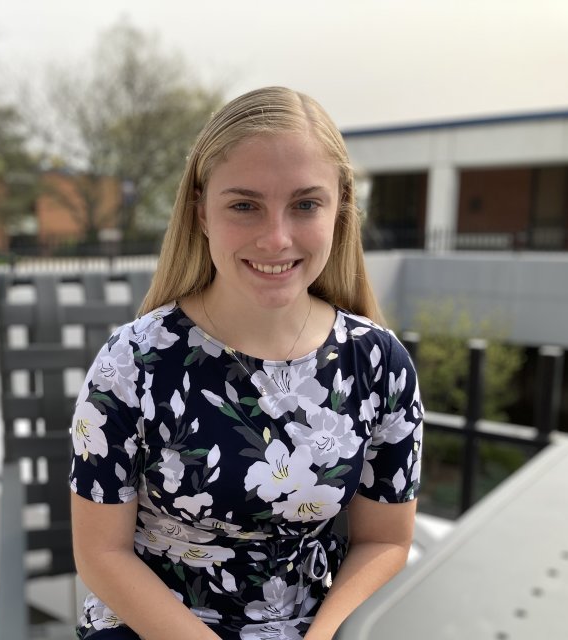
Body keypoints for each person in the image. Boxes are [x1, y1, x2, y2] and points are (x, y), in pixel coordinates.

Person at [68, 86, 423, 640]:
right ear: (201, 213)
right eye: (244, 205)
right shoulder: (131, 364)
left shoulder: (379, 363)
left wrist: (323, 634)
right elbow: (100, 554)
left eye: (305, 204)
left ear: (340, 209)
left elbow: (386, 540)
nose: (276, 238)